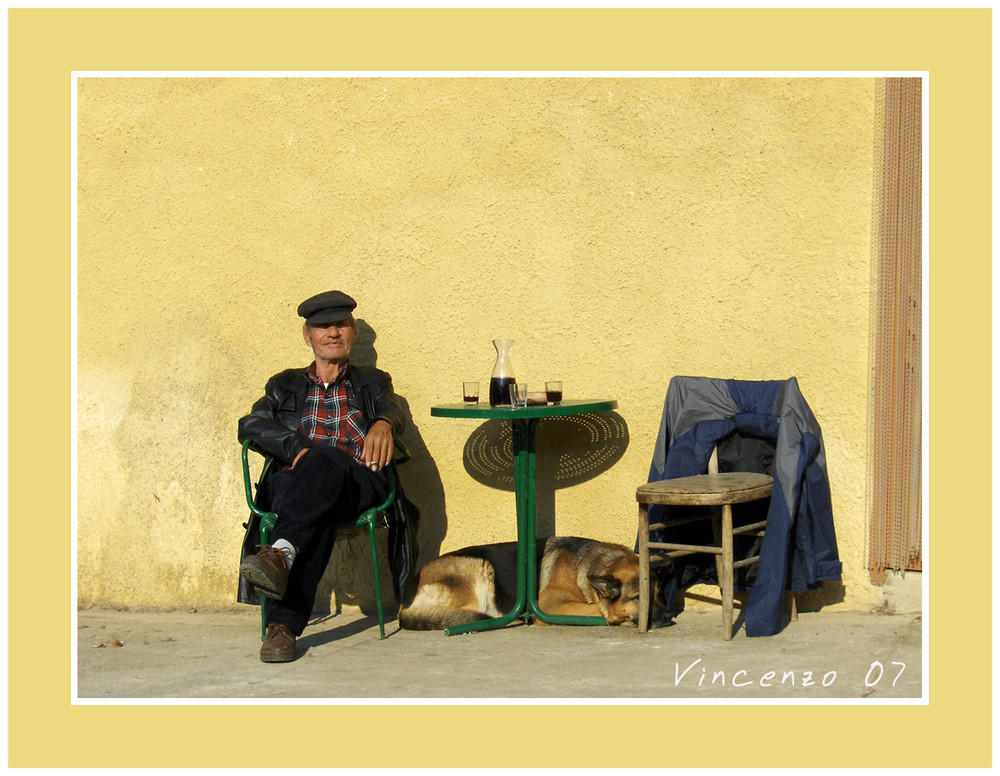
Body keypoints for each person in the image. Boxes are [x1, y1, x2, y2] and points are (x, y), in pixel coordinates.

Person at [237, 290, 406, 662]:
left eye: (341, 324)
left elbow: (393, 408)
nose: (332, 332)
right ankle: (285, 563)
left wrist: (384, 422)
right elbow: (250, 424)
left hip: (357, 482)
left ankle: (281, 614)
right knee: (318, 492)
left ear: (354, 332)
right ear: (307, 335)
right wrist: (298, 448)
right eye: (322, 326)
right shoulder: (283, 384)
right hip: (297, 484)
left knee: (327, 462)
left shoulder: (372, 381)